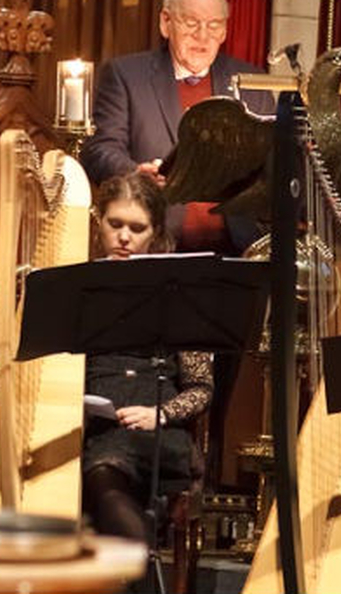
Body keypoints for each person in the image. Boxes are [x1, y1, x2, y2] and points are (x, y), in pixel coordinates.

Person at [80, 0, 274, 255]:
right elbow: (99, 150)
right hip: (155, 245)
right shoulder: (126, 76)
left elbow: (273, 165)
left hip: (238, 250)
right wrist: (135, 174)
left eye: (214, 25)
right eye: (192, 23)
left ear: (225, 31)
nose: (203, 36)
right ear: (165, 22)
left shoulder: (255, 83)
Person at [82, 172, 213, 548]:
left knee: (107, 472)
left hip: (155, 426)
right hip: (93, 425)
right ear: (99, 224)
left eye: (137, 228)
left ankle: (131, 560)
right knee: (100, 467)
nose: (124, 237)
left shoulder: (178, 294)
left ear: (155, 233)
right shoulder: (77, 287)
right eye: (115, 224)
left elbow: (201, 387)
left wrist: (160, 414)